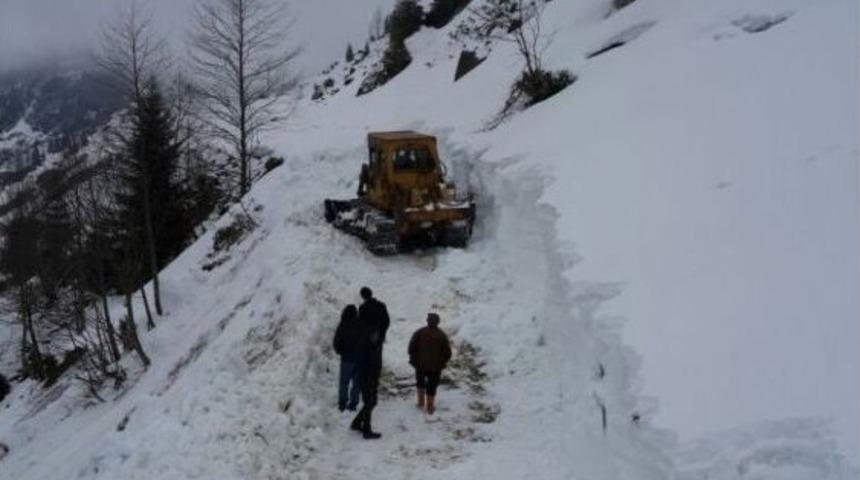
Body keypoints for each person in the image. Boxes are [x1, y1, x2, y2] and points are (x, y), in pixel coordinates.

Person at [351, 286, 390, 439]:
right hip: (369, 370)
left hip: (365, 368)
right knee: (371, 401)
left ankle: (357, 423)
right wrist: (381, 336)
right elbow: (386, 322)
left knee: (371, 400)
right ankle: (365, 429)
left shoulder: (362, 310)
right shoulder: (381, 306)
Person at [408, 313, 451, 415]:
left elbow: (411, 348)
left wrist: (414, 360)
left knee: (420, 383)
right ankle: (430, 406)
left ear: (427, 321)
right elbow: (447, 353)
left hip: (420, 365)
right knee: (432, 386)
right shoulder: (441, 335)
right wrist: (442, 363)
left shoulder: (420, 332)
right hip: (435, 367)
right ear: (438, 322)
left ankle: (420, 402)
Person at [333, 305, 362, 411]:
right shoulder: (360, 325)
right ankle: (353, 403)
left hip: (346, 359)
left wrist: (340, 351)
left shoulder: (342, 325)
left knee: (344, 381)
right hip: (359, 359)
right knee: (357, 383)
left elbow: (336, 341)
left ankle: (342, 402)